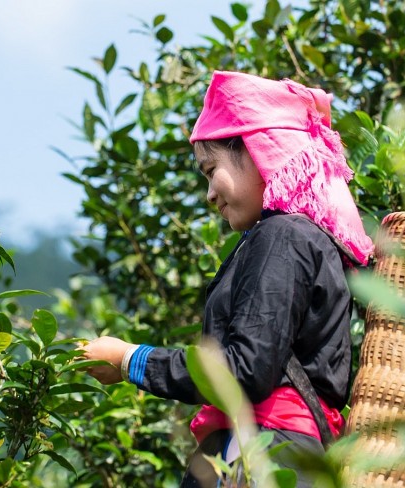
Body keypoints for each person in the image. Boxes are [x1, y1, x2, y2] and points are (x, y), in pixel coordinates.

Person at [80, 70, 374, 487]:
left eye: (210, 169)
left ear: (256, 152)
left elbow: (245, 369)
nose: (210, 194)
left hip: (263, 456)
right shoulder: (291, 238)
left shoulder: (282, 236)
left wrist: (130, 360)